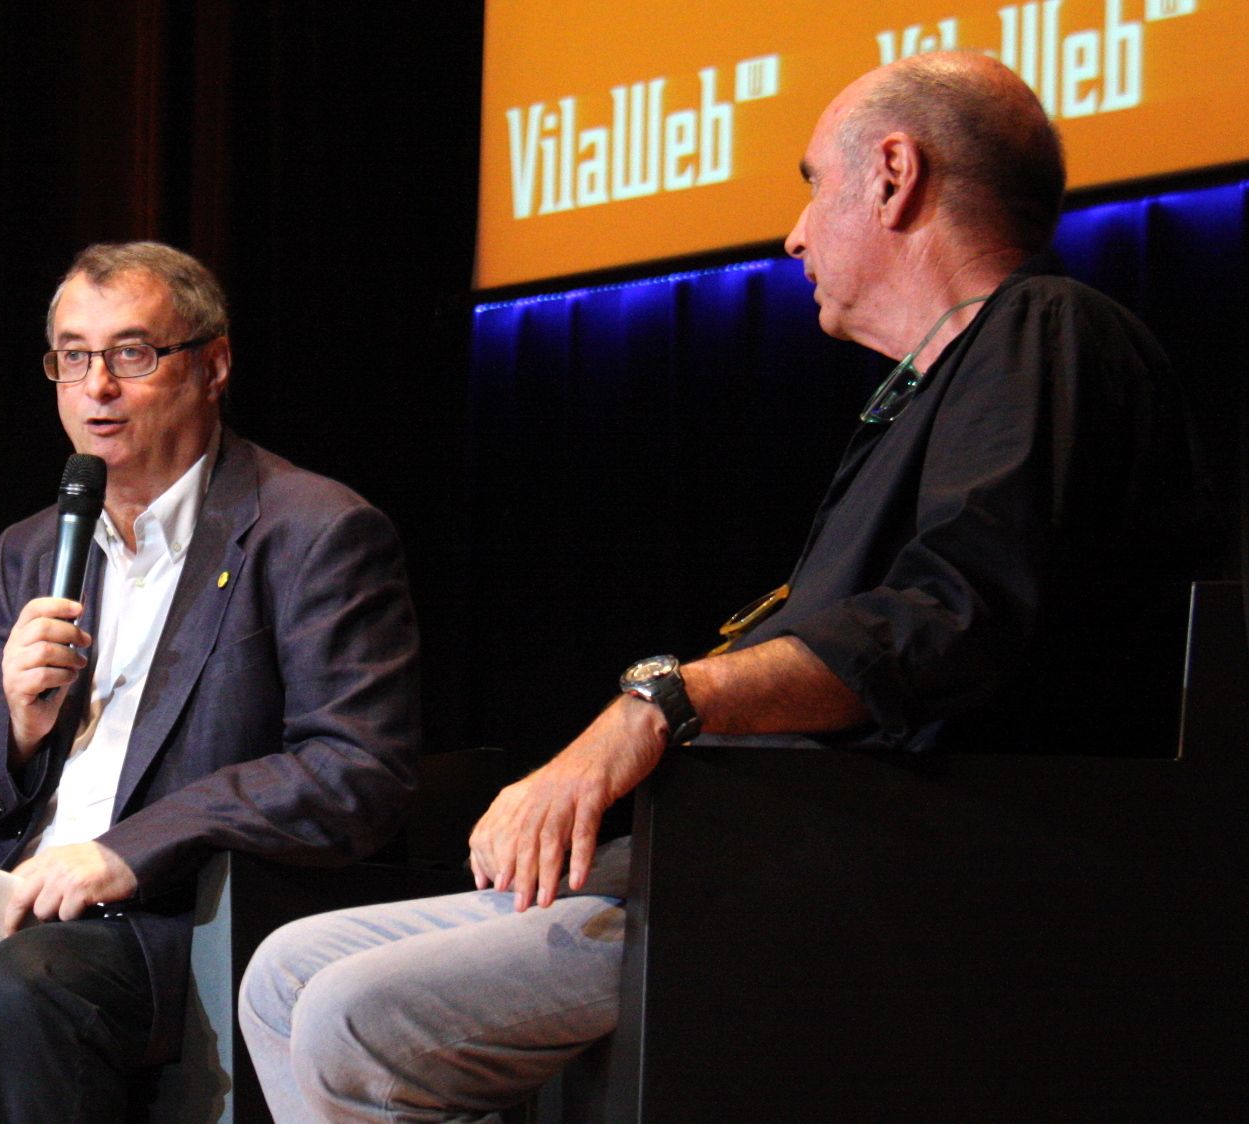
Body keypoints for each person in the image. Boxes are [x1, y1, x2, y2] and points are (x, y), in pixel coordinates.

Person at [238, 50, 1201, 1121]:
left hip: (903, 869)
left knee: (355, 1013)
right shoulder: (927, 393)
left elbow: (950, 618)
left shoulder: (1045, 330)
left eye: (808, 183)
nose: (792, 233)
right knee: (284, 971)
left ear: (891, 175)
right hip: (759, 843)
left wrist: (656, 707)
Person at [0, 241, 421, 1122]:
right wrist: (11, 726)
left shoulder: (311, 532)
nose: (97, 389)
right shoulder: (36, 547)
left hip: (181, 922)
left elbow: (353, 772)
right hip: (12, 908)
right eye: (72, 358)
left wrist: (129, 850)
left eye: (131, 354)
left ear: (212, 365)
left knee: (28, 986)